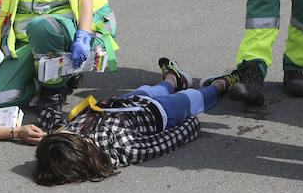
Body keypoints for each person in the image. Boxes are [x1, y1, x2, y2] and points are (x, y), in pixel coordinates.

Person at [32, 57, 236, 185]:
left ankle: (174, 79)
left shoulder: (62, 141)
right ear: (81, 149)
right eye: (68, 135)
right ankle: (219, 85)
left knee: (154, 89)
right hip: (161, 113)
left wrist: (41, 125)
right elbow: (169, 140)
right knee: (194, 98)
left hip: (126, 102)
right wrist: (189, 120)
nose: (67, 131)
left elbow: (49, 117)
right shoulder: (125, 149)